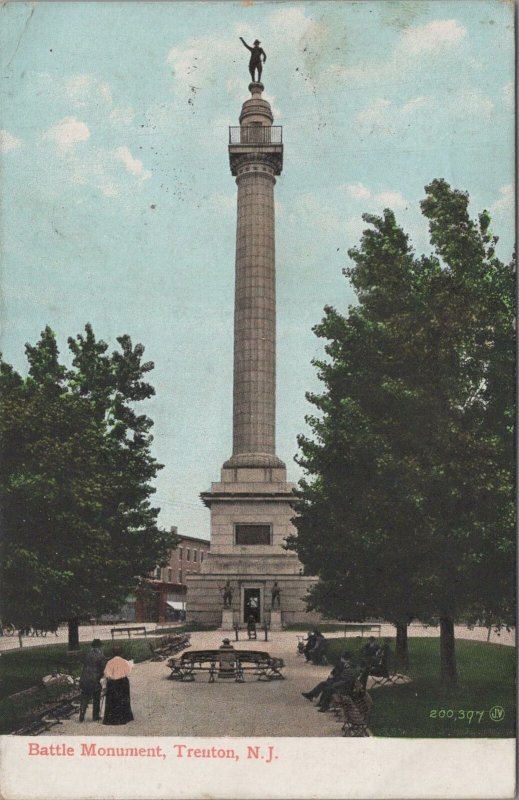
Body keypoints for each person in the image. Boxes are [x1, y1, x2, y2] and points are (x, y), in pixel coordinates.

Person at [102, 645, 134, 726]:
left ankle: (112, 719)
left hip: (113, 683)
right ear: (121, 652)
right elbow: (128, 672)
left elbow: (106, 674)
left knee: (113, 701)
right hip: (123, 682)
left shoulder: (109, 662)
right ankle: (125, 717)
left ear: (113, 653)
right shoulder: (125, 662)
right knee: (124, 699)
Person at [79, 639, 106, 722]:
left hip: (84, 678)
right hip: (94, 679)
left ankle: (82, 712)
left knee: (85, 696)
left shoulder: (87, 655)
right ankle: (95, 716)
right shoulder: (101, 656)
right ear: (99, 647)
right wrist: (101, 676)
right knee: (96, 697)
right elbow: (103, 668)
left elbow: (84, 666)